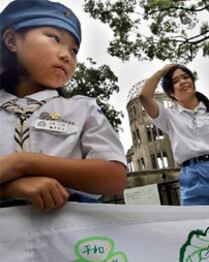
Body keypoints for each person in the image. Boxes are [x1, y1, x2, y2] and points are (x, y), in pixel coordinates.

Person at [0, 0, 127, 212]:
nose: (66, 55)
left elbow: (114, 177)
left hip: (68, 237)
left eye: (74, 50)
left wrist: (24, 162)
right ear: (12, 40)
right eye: (54, 38)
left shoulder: (83, 109)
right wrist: (11, 188)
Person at [139, 64, 209, 206]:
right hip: (192, 176)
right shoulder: (169, 116)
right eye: (176, 81)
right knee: (200, 225)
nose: (183, 82)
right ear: (171, 92)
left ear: (193, 82)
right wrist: (163, 71)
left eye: (186, 77)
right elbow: (144, 97)